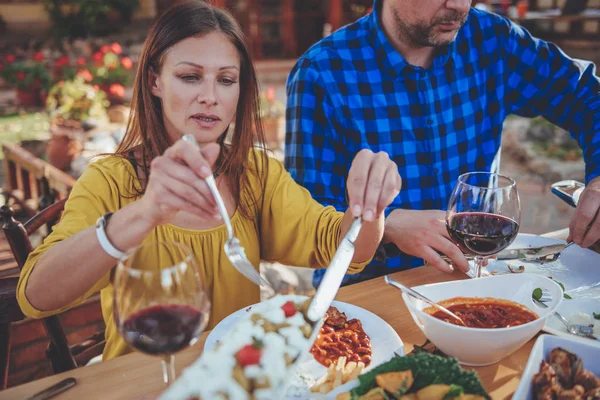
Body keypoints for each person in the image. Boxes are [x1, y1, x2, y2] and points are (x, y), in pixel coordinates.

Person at [16, 0, 401, 361]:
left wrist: (368, 207)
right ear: (154, 82)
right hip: (144, 383)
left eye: (226, 80)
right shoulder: (112, 180)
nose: (210, 97)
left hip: (238, 379)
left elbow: (342, 248)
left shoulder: (255, 173)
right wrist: (145, 212)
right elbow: (36, 295)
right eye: (190, 77)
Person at [285, 0, 600, 286]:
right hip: (371, 293)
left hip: (476, 276)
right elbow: (307, 218)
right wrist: (389, 224)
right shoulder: (322, 73)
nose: (459, 6)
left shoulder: (492, 40)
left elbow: (588, 95)